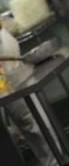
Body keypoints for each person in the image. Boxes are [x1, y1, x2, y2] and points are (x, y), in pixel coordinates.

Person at [0, 25, 57, 166]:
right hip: (7, 77)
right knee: (33, 123)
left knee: (34, 122)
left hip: (12, 73)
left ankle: (53, 162)